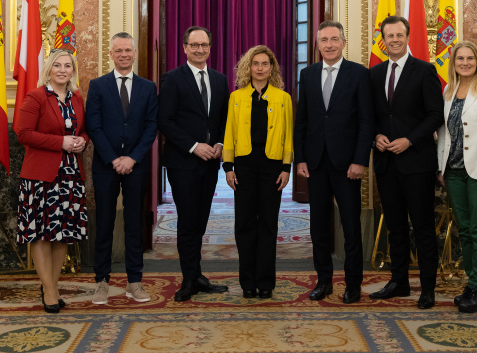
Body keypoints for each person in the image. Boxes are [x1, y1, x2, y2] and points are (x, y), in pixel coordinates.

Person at [294, 20, 373, 304]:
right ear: (317, 44)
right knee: (318, 226)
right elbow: (301, 120)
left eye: (333, 39)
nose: (328, 45)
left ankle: (353, 284)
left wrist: (359, 160)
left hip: (347, 164)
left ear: (343, 42)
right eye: (323, 40)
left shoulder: (359, 74)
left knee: (350, 226)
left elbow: (366, 121)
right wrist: (300, 159)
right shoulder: (308, 73)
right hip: (315, 163)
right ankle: (323, 281)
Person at [369, 15, 443, 309]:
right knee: (395, 227)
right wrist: (375, 136)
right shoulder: (373, 74)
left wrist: (409, 140)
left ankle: (427, 289)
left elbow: (435, 115)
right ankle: (399, 282)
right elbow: (371, 115)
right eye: (389, 36)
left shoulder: (425, 71)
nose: (394, 40)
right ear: (383, 40)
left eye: (399, 35)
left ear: (408, 36)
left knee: (423, 228)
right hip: (386, 164)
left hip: (417, 163)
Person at [158, 26, 229, 302]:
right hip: (183, 163)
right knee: (188, 222)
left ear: (210, 48)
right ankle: (189, 279)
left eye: (205, 45)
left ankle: (197, 273)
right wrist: (193, 146)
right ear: (185, 47)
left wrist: (220, 143)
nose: (200, 49)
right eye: (194, 45)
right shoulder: (172, 79)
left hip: (210, 163)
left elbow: (222, 119)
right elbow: (166, 121)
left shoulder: (220, 80)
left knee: (201, 220)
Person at [86, 32, 158, 305]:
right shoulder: (98, 85)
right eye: (119, 50)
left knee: (134, 225)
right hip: (106, 166)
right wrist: (114, 158)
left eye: (128, 50)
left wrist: (132, 158)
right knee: (103, 223)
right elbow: (94, 125)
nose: (124, 54)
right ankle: (101, 282)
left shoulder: (148, 87)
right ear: (111, 54)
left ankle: (134, 281)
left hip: (136, 167)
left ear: (135, 53)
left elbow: (151, 126)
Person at [15, 49, 88, 313]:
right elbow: (22, 133)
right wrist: (61, 142)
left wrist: (82, 141)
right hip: (41, 178)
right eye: (57, 65)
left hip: (70, 176)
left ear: (72, 71)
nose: (62, 70)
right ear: (48, 69)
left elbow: (83, 131)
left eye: (67, 66)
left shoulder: (76, 98)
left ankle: (51, 285)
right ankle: (49, 290)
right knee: (41, 235)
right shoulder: (35, 97)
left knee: (62, 235)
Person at [436, 40, 477, 313]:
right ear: (453, 63)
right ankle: (471, 284)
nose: (464, 63)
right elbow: (443, 134)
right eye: (459, 59)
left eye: (469, 58)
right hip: (453, 172)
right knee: (464, 228)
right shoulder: (448, 91)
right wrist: (441, 167)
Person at [223, 45, 293, 299]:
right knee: (244, 224)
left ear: (272, 67)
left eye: (265, 64)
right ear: (248, 67)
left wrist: (287, 168)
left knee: (268, 224)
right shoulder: (236, 97)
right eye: (256, 64)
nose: (260, 68)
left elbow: (288, 137)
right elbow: (229, 132)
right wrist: (228, 167)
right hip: (243, 167)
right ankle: (247, 283)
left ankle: (265, 283)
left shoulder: (283, 98)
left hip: (272, 168)